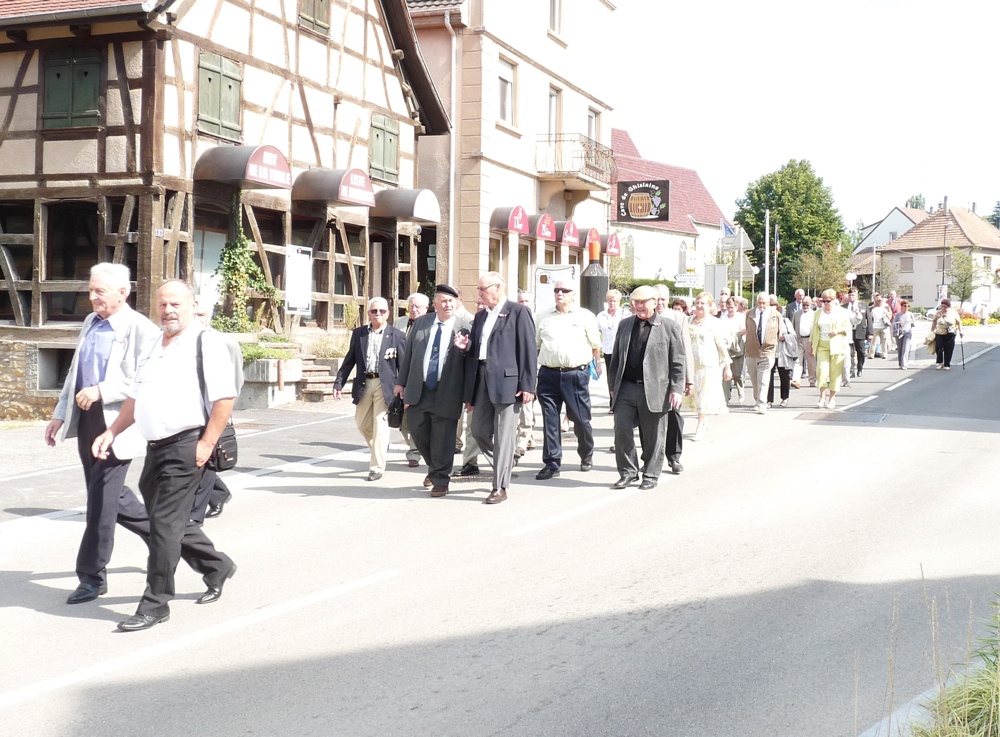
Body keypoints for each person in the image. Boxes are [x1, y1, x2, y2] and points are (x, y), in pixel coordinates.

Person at [92, 279, 237, 632]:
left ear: (190, 305)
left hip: (187, 445)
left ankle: (156, 603)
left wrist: (206, 443)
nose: (168, 311)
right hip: (155, 448)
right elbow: (136, 398)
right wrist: (112, 431)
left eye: (175, 304)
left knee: (164, 527)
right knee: (164, 522)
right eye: (162, 305)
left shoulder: (207, 342)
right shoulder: (155, 343)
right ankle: (217, 565)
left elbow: (225, 399)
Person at [44, 263, 158, 605]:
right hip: (87, 418)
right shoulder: (92, 323)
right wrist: (59, 415)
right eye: (91, 290)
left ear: (123, 293)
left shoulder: (141, 328)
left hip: (117, 421)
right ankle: (164, 537)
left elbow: (145, 377)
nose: (92, 297)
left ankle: (92, 576)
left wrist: (102, 389)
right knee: (108, 494)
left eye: (99, 292)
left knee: (99, 502)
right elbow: (74, 374)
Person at [461, 272, 537, 504]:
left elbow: (527, 350)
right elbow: (478, 350)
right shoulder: (481, 316)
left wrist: (528, 385)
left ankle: (499, 486)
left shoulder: (518, 311)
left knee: (504, 436)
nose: (479, 293)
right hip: (482, 379)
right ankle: (505, 461)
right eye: (479, 289)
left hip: (508, 382)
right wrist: (466, 347)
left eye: (483, 288)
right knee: (479, 431)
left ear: (498, 287)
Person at [394, 284, 470, 497]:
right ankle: (435, 468)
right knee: (419, 434)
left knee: (444, 439)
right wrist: (401, 383)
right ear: (434, 304)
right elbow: (408, 354)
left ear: (457, 304)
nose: (447, 305)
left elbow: (471, 363)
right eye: (443, 301)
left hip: (448, 392)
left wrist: (466, 349)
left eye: (451, 301)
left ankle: (440, 480)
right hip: (419, 389)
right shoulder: (421, 323)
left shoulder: (465, 327)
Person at [608, 286, 685, 490]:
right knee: (622, 430)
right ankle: (628, 472)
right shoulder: (625, 325)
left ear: (654, 302)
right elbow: (615, 358)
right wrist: (612, 387)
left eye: (644, 302)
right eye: (636, 302)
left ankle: (650, 474)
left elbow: (678, 361)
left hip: (655, 390)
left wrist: (677, 388)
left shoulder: (669, 326)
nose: (640, 306)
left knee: (653, 436)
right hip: (626, 387)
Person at [533, 280, 601, 480]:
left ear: (573, 294)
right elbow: (537, 345)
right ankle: (552, 462)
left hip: (575, 375)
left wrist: (595, 365)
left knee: (580, 419)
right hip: (548, 374)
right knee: (550, 420)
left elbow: (595, 345)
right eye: (556, 290)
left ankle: (586, 453)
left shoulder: (585, 316)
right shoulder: (543, 317)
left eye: (564, 290)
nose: (559, 293)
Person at [333, 297, 407, 481]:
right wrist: (338, 383)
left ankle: (376, 467)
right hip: (364, 383)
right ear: (368, 313)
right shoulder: (359, 334)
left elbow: (404, 365)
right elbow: (349, 360)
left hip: (386, 386)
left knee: (380, 425)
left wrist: (403, 387)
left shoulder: (397, 336)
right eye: (374, 311)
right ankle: (379, 448)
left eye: (382, 311)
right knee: (362, 423)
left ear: (388, 314)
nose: (378, 314)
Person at [189, 297, 243, 524]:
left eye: (201, 315)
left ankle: (194, 516)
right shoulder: (180, 341)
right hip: (187, 414)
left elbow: (236, 379)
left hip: (212, 411)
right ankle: (219, 493)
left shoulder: (223, 342)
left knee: (206, 457)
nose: (197, 319)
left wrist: (225, 411)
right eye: (194, 315)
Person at [687, 293, 731, 440]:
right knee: (695, 396)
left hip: (708, 365)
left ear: (710, 306)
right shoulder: (688, 322)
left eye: (703, 303)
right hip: (692, 365)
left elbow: (721, 346)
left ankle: (700, 424)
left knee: (704, 396)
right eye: (698, 302)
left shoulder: (714, 323)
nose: (699, 306)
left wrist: (727, 366)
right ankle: (703, 420)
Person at [394, 292, 430, 468]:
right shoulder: (399, 323)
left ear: (426, 309)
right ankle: (413, 445)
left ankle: (414, 453)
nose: (414, 310)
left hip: (419, 378)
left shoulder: (429, 325)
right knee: (402, 419)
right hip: (400, 375)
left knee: (415, 415)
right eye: (411, 306)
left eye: (418, 307)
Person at [810, 288, 852, 410]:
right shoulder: (818, 312)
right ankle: (822, 397)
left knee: (835, 372)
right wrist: (811, 344)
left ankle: (832, 398)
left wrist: (838, 331)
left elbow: (848, 327)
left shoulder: (842, 312)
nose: (826, 303)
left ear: (834, 301)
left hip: (837, 345)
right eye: (824, 301)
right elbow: (814, 330)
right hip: (822, 345)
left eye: (828, 301)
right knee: (821, 371)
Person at [744, 292, 784, 414]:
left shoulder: (775, 315)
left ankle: (762, 403)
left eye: (764, 303)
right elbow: (747, 329)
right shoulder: (749, 314)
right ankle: (757, 400)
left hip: (768, 351)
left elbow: (780, 332)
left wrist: (775, 342)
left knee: (764, 378)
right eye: (760, 302)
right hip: (752, 351)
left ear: (768, 303)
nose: (762, 305)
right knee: (754, 378)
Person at [515, 290, 538, 458]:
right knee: (525, 406)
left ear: (533, 303)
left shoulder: (539, 319)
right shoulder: (514, 319)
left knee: (529, 405)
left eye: (527, 301)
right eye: (520, 301)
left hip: (538, 368)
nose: (524, 305)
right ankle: (523, 440)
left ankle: (526, 437)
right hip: (520, 369)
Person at [597, 289, 628, 396]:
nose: (612, 303)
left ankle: (621, 400)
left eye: (614, 301)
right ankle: (612, 402)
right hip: (608, 350)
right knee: (611, 376)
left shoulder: (625, 314)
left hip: (622, 350)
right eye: (610, 301)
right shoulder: (601, 316)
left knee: (623, 375)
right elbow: (596, 333)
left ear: (619, 302)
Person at [767, 297, 797, 408]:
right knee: (768, 376)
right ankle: (768, 400)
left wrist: (784, 337)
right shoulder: (766, 321)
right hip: (770, 351)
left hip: (783, 351)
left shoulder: (785, 321)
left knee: (784, 375)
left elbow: (793, 335)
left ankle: (785, 398)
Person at [721, 296, 747, 404]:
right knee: (726, 374)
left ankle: (741, 392)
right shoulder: (723, 318)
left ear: (736, 307)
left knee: (737, 374)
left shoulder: (741, 317)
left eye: (732, 307)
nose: (730, 309)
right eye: (728, 307)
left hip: (738, 348)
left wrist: (734, 335)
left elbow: (744, 330)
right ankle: (726, 397)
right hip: (726, 349)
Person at [791, 295, 816, 388]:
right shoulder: (797, 314)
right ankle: (796, 380)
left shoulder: (814, 314)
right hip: (799, 339)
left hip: (810, 340)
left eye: (807, 305)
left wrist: (814, 342)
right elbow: (792, 326)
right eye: (803, 305)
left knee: (811, 362)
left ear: (810, 305)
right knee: (797, 360)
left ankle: (812, 380)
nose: (805, 307)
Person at [845, 289, 872, 378]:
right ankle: (852, 370)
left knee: (861, 352)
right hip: (848, 333)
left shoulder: (863, 306)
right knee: (849, 353)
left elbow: (869, 319)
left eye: (853, 295)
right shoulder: (844, 307)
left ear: (856, 296)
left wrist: (870, 333)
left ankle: (859, 368)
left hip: (860, 332)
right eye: (850, 295)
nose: (851, 297)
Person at [931, 298, 963, 370]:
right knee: (938, 348)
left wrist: (961, 331)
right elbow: (934, 321)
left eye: (945, 307)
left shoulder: (953, 313)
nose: (943, 308)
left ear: (949, 306)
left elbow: (959, 322)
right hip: (939, 333)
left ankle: (947, 364)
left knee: (948, 349)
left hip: (950, 333)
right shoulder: (938, 313)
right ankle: (940, 363)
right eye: (942, 306)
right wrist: (932, 331)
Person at [892, 299, 916, 369]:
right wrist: (899, 323)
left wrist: (910, 323)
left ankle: (904, 364)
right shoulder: (898, 315)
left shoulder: (910, 314)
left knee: (905, 348)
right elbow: (894, 324)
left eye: (907, 306)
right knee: (900, 349)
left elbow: (914, 324)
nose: (906, 308)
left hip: (907, 333)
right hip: (899, 333)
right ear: (901, 306)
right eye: (904, 306)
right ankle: (900, 363)